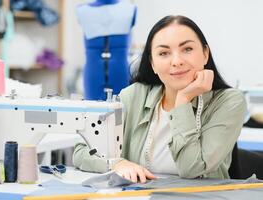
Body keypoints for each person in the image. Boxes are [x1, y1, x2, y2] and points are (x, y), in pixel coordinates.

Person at [73, 15, 247, 183]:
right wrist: (116, 163)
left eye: (187, 49)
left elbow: (191, 169)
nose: (176, 61)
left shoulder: (229, 102)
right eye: (164, 53)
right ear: (153, 63)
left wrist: (184, 100)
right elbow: (81, 151)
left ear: (205, 54)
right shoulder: (133, 96)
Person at [76, 0, 136, 100]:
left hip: (120, 71)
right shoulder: (82, 10)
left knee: (122, 110)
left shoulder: (130, 9)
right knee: (91, 111)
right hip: (93, 72)